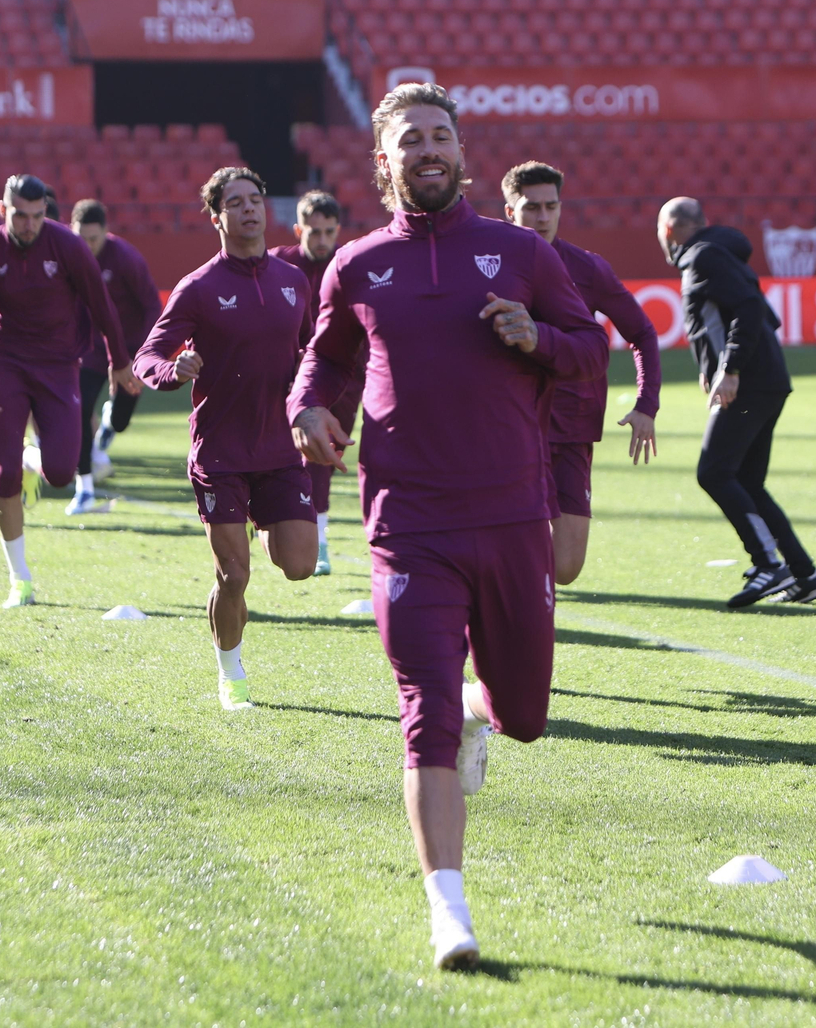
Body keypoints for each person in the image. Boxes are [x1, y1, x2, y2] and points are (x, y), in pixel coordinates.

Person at [288, 83, 607, 970]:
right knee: (420, 712)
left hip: (512, 516)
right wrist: (305, 407)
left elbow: (591, 351)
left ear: (462, 153)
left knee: (524, 716)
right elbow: (323, 358)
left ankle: (480, 710)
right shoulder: (356, 265)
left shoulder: (521, 252)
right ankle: (448, 912)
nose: (427, 149)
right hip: (407, 522)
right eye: (410, 140)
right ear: (383, 162)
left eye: (439, 136)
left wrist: (537, 337)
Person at [134, 168, 317, 709]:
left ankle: (258, 524)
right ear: (216, 217)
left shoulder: (294, 281)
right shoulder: (198, 287)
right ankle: (230, 674)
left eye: (255, 199)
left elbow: (315, 352)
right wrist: (173, 370)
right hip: (221, 452)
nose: (249, 209)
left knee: (300, 566)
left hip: (280, 447)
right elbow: (147, 356)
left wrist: (317, 400)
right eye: (235, 203)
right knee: (233, 576)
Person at [0, 174, 136, 609]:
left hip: (59, 366)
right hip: (6, 365)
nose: (30, 225)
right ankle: (19, 579)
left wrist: (119, 361)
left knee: (60, 472)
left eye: (37, 216)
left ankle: (28, 455)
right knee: (4, 474)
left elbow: (101, 304)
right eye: (21, 215)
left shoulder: (67, 245)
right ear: (3, 210)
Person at [658, 196, 816, 608]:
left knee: (713, 473)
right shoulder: (717, 253)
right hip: (764, 379)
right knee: (748, 482)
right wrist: (711, 365)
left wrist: (729, 367)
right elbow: (760, 313)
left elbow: (750, 309)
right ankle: (804, 574)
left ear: (667, 230)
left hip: (748, 382)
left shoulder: (703, 257)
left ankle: (768, 564)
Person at [503, 161, 662, 585]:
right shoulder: (489, 263)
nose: (542, 217)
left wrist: (646, 404)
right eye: (531, 207)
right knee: (507, 539)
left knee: (566, 568)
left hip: (570, 426)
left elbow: (642, 333)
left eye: (550, 206)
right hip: (508, 425)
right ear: (510, 211)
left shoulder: (587, 268)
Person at [270, 189, 347, 576]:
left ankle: (318, 541)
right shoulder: (276, 264)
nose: (322, 240)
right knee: (273, 452)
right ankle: (267, 519)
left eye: (329, 231)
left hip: (341, 377)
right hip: (284, 376)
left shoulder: (349, 265)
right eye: (314, 231)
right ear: (298, 229)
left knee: (324, 457)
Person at [69, 199, 161, 513]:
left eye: (93, 239)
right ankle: (84, 488)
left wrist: (145, 354)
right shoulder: (69, 255)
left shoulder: (126, 258)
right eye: (81, 238)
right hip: (91, 350)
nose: (86, 245)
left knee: (121, 421)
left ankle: (110, 421)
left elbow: (152, 305)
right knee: (79, 408)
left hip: (129, 352)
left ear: (106, 232)